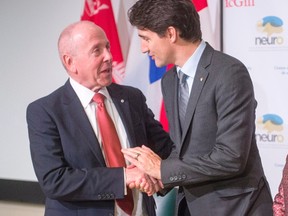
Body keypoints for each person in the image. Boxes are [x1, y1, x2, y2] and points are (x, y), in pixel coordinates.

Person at [121, 0, 273, 215]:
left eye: (146, 39)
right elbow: (183, 150)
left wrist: (163, 170)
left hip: (237, 208)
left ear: (171, 33)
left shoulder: (229, 72)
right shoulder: (170, 80)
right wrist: (157, 177)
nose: (143, 48)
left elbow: (231, 157)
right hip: (191, 207)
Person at [26, 20, 172, 216]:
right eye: (97, 50)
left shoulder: (131, 98)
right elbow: (55, 180)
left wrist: (160, 175)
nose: (109, 57)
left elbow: (165, 149)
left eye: (108, 47)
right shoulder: (45, 111)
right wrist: (124, 177)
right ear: (70, 62)